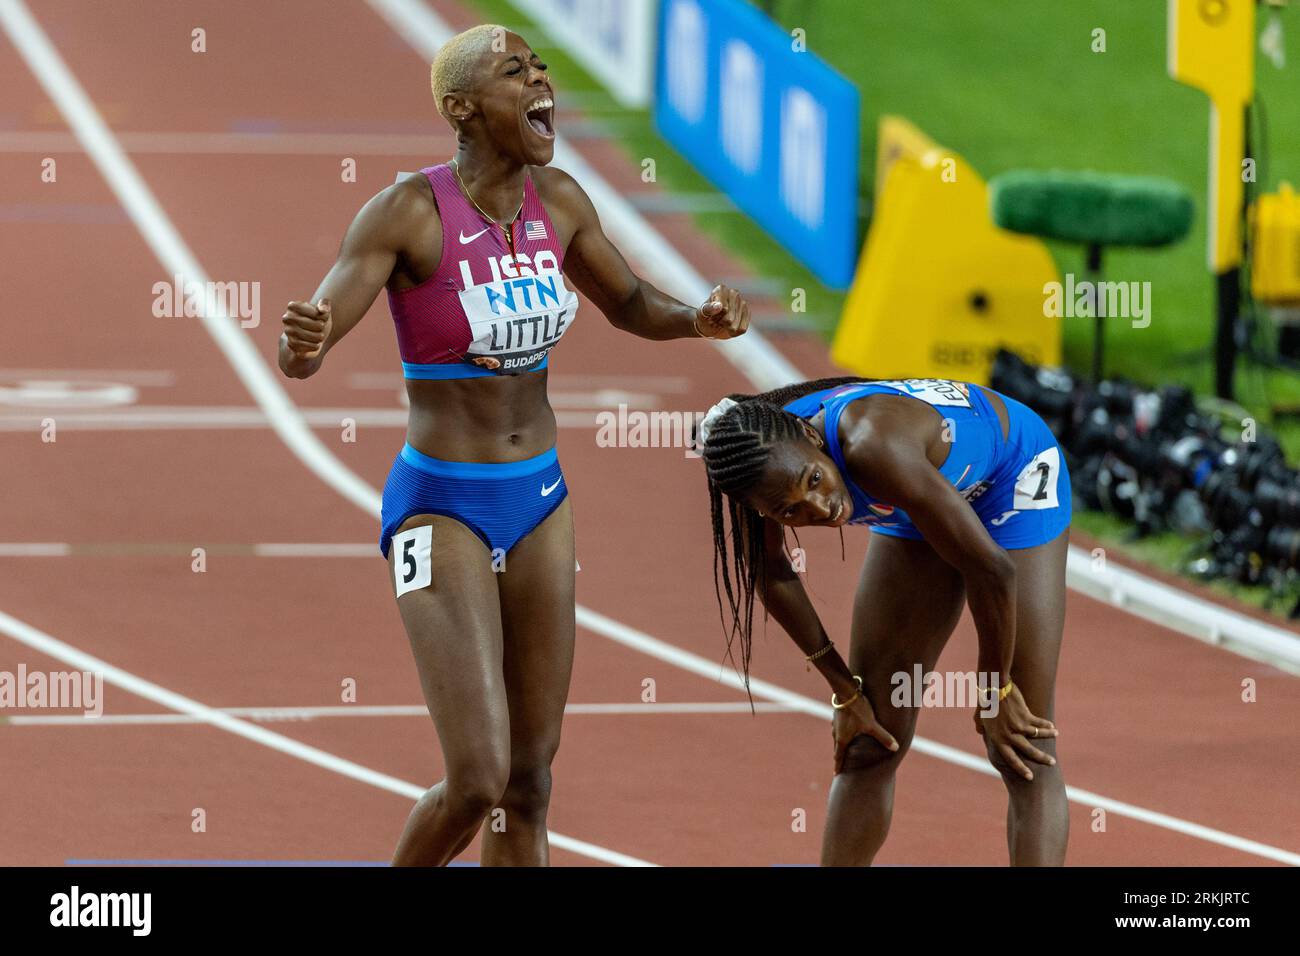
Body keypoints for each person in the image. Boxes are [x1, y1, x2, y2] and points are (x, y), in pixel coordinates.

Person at [278, 24, 749, 866]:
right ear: (462, 109)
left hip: (540, 501)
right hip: (442, 505)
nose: (541, 82)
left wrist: (695, 321)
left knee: (530, 781)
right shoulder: (406, 214)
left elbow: (630, 300)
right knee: (477, 779)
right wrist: (302, 344)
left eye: (539, 68)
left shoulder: (560, 201)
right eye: (514, 72)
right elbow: (308, 347)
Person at [696, 375, 1070, 866]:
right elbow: (770, 571)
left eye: (813, 480)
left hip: (1010, 478)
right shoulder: (756, 472)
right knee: (870, 742)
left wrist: (994, 691)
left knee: (1022, 746)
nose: (821, 508)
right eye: (790, 511)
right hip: (914, 500)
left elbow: (992, 570)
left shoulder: (872, 445)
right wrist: (846, 693)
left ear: (812, 438)